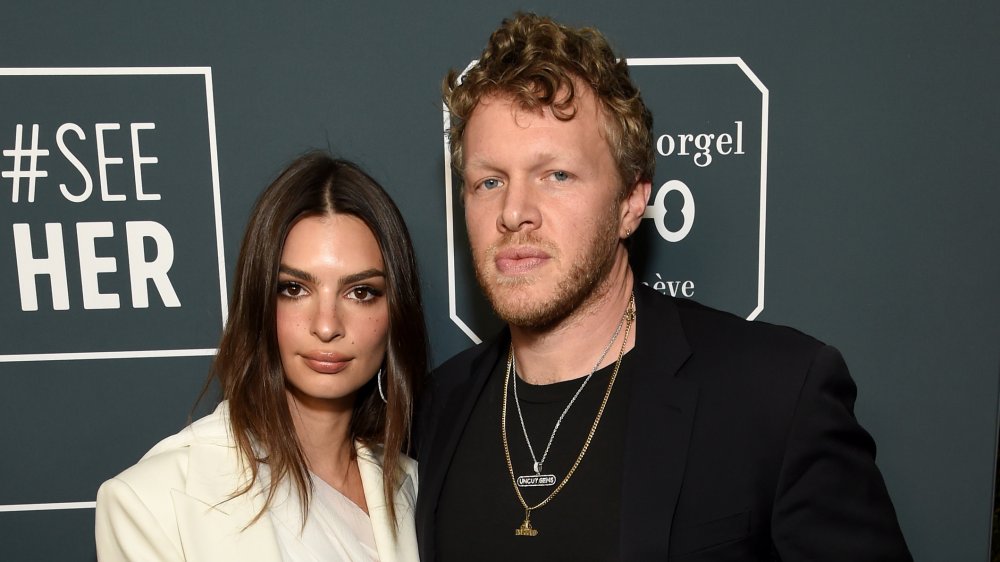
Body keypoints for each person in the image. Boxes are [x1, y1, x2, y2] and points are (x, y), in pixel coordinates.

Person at [416, 13, 912, 561]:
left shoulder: (777, 395)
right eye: (489, 181)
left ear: (631, 201)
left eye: (555, 175)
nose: (513, 212)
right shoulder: (438, 407)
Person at [96, 152, 427, 561]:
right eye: (294, 289)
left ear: (395, 313)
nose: (327, 325)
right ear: (257, 303)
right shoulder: (155, 503)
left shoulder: (411, 485)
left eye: (360, 292)